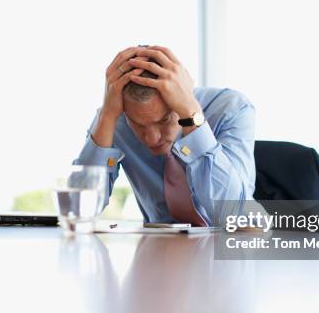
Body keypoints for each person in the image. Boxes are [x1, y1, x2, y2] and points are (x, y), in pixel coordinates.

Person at [74, 45, 256, 226]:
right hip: (156, 249)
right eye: (137, 125)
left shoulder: (231, 109)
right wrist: (106, 116)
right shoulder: (115, 118)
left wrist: (191, 114)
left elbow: (236, 216)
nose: (152, 138)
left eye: (164, 120)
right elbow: (78, 210)